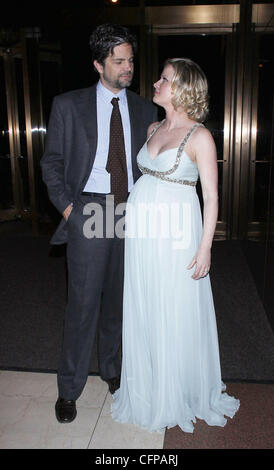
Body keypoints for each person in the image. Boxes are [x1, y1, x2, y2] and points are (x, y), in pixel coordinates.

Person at [111, 58, 240, 433]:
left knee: (174, 308)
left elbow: (212, 198)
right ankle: (149, 386)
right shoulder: (154, 126)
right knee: (146, 303)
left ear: (182, 88)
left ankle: (177, 392)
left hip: (177, 235)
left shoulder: (200, 137)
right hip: (143, 235)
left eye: (164, 79)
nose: (155, 83)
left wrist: (205, 249)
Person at [41, 24, 157, 423]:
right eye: (119, 61)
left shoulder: (145, 109)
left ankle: (113, 371)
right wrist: (70, 212)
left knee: (119, 304)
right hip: (88, 210)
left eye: (131, 60)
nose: (128, 68)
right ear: (98, 64)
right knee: (83, 305)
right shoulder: (68, 106)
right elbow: (51, 164)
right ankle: (69, 388)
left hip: (130, 212)